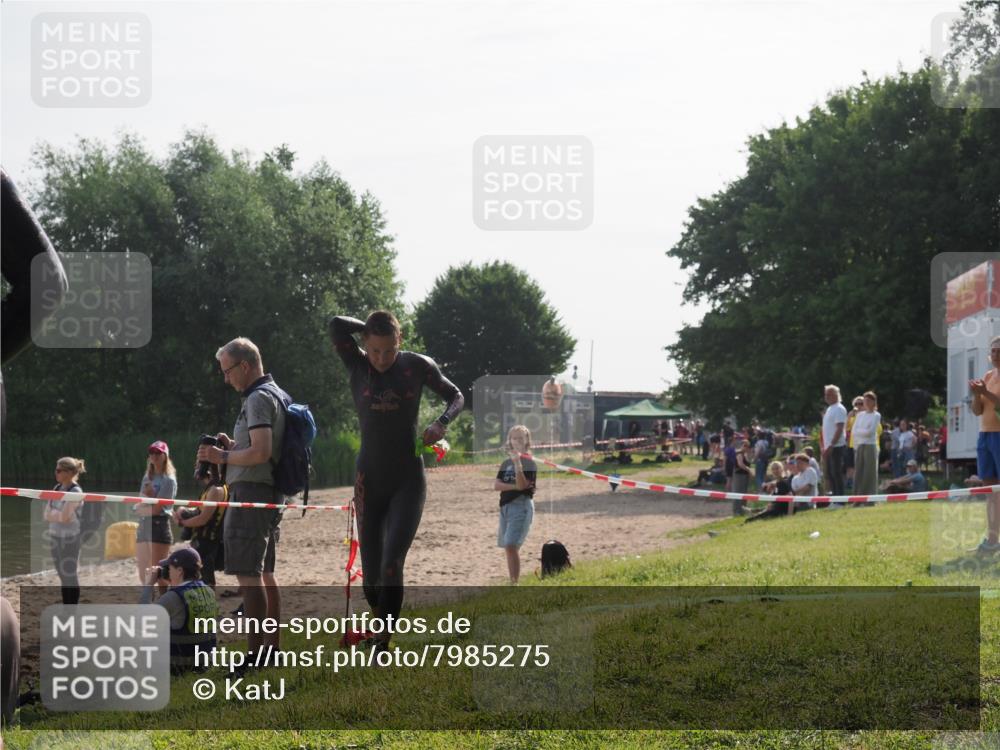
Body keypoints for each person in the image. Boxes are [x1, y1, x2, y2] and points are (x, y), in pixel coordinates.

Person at [330, 312, 464, 653]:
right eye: (374, 350)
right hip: (368, 480)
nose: (381, 359)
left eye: (388, 351)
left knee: (392, 565)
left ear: (399, 343)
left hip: (407, 480)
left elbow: (456, 396)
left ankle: (382, 645)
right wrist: (371, 327)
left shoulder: (416, 366)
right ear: (365, 346)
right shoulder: (357, 365)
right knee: (372, 577)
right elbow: (335, 324)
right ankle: (378, 628)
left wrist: (442, 423)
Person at [197, 337, 287, 662]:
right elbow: (262, 449)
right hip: (269, 492)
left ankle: (255, 656)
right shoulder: (275, 393)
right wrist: (233, 446)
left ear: (245, 366)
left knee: (249, 577)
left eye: (228, 371)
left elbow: (261, 453)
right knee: (265, 573)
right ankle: (271, 650)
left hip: (252, 493)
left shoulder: (258, 398)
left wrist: (222, 456)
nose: (226, 378)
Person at [140, 547, 219, 673]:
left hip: (180, 665)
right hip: (205, 663)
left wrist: (149, 584)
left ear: (180, 571)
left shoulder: (174, 597)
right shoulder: (209, 591)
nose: (168, 572)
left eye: (170, 568)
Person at [494, 425, 537, 584]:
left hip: (521, 506)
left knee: (511, 544)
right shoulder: (506, 463)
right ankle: (513, 581)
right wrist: (513, 487)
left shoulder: (529, 463)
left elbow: (523, 485)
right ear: (510, 441)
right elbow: (497, 485)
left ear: (527, 441)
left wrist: (518, 464)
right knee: (508, 546)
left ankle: (514, 583)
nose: (517, 441)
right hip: (505, 506)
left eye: (521, 438)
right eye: (514, 438)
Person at [970, 336, 1000, 554]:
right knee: (990, 491)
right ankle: (992, 540)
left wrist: (985, 392)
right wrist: (976, 395)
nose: (996, 354)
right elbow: (977, 410)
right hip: (985, 436)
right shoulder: (989, 375)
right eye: (994, 350)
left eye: (999, 350)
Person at [135, 441, 177, 595]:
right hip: (144, 524)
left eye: (158, 453)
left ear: (165, 456)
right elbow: (140, 504)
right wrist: (146, 503)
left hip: (159, 524)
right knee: (142, 569)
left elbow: (156, 509)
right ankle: (149, 600)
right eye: (152, 453)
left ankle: (165, 601)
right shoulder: (148, 476)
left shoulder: (169, 480)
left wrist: (147, 502)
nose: (154, 456)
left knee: (158, 571)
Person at [178, 460, 227, 587]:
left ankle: (208, 605)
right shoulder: (211, 487)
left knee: (206, 581)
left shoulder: (216, 489)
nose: (196, 467)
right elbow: (200, 512)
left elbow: (203, 518)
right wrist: (183, 512)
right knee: (197, 578)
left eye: (199, 465)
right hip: (202, 539)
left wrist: (183, 522)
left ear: (208, 469)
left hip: (208, 541)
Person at [45, 457, 86, 604]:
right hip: (55, 536)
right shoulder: (57, 488)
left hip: (70, 538)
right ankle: (66, 606)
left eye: (58, 470)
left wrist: (55, 514)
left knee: (69, 574)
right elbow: (46, 514)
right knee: (62, 574)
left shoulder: (75, 490)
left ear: (68, 473)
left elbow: (65, 517)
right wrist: (57, 514)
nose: (55, 473)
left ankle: (72, 609)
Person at [852, 391, 882, 497]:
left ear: (874, 402)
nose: (866, 403)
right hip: (860, 445)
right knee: (859, 472)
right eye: (865, 401)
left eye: (869, 401)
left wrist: (861, 431)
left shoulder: (876, 415)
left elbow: (870, 432)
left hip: (870, 445)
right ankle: (857, 497)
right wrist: (862, 432)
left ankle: (870, 497)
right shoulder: (859, 415)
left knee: (869, 473)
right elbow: (854, 431)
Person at [821, 385, 847, 498]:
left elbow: (839, 428)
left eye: (829, 394)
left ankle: (840, 499)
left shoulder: (839, 409)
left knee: (836, 473)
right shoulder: (830, 409)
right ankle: (835, 498)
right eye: (826, 394)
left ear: (836, 395)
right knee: (831, 474)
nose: (826, 397)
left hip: (836, 446)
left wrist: (831, 445)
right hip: (828, 446)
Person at [844, 396, 864, 490]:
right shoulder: (851, 415)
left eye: (861, 404)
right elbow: (846, 428)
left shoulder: (866, 415)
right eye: (856, 404)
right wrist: (849, 416)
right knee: (850, 464)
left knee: (860, 464)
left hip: (862, 443)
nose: (858, 406)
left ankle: (860, 482)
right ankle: (850, 481)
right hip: (851, 443)